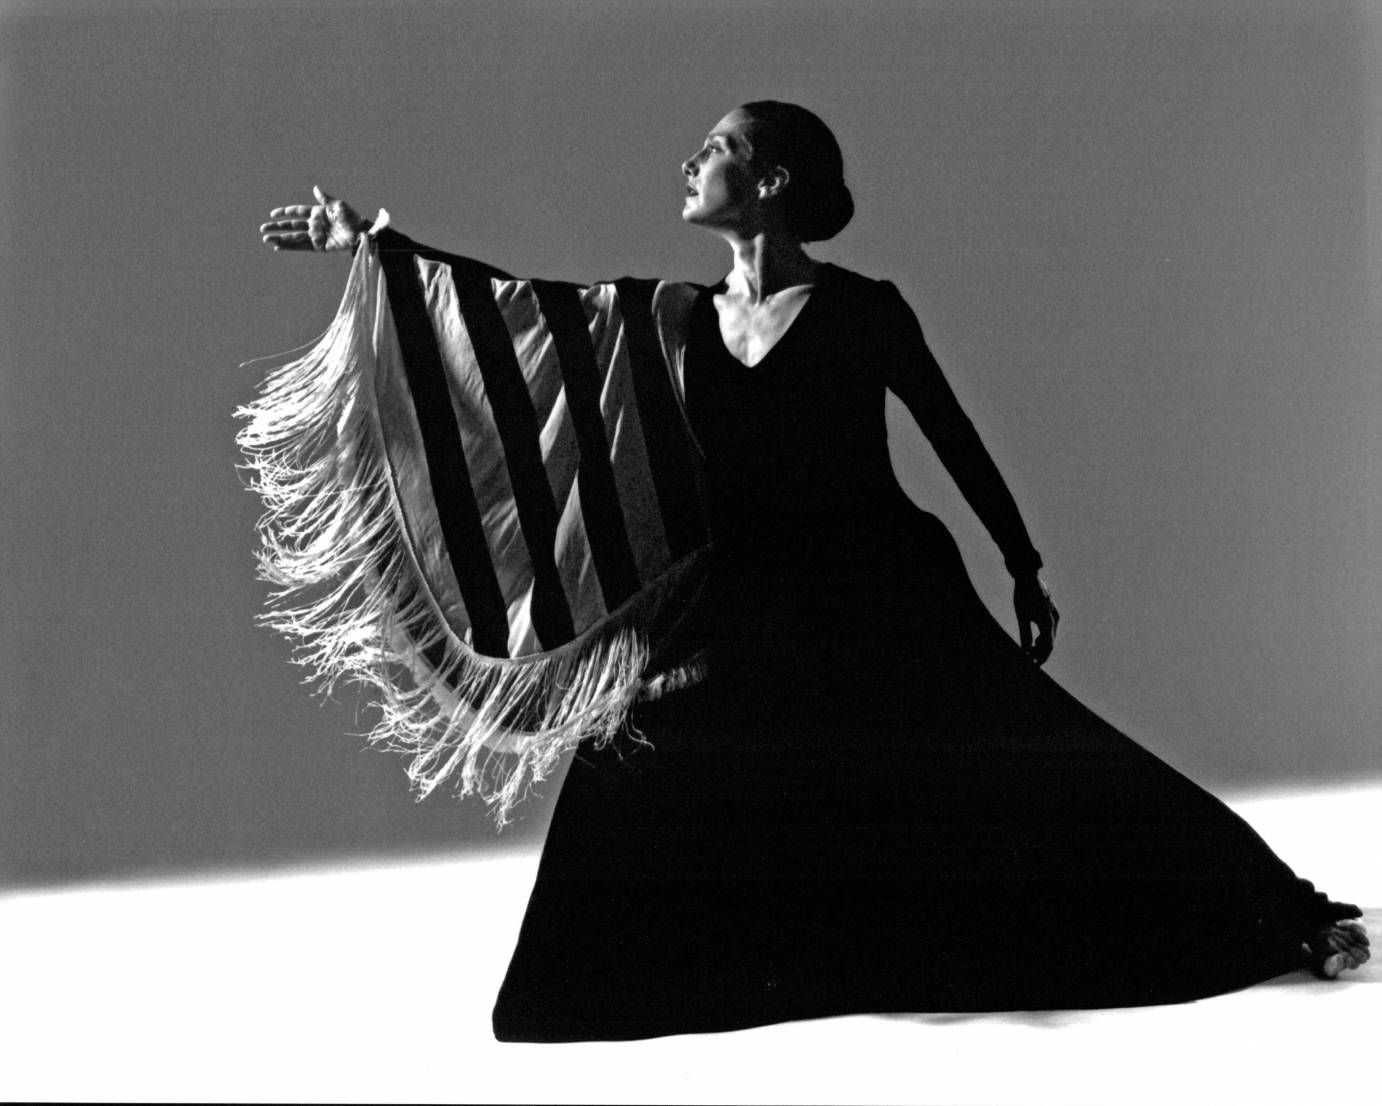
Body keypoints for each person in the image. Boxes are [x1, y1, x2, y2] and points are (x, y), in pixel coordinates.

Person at [259, 101, 1369, 1042]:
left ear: (771, 180)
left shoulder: (862, 309)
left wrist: (1019, 560)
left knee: (1050, 762)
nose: (691, 161)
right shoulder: (672, 318)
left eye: (718, 146)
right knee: (636, 761)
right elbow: (525, 311)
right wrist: (379, 251)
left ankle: (1283, 913)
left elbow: (950, 433)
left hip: (883, 591)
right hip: (743, 602)